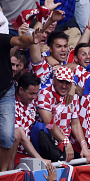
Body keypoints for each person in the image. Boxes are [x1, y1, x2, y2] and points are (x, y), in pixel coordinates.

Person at [0, 27, 43, 171]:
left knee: (8, 136)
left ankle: (3, 174)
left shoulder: (1, 39)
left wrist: (32, 40)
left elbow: (19, 40)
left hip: (5, 93)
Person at [36, 66, 90, 164]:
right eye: (61, 81)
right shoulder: (44, 94)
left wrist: (84, 145)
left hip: (64, 145)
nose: (64, 86)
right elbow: (49, 124)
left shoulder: (73, 97)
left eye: (67, 83)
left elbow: (75, 124)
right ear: (54, 80)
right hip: (47, 142)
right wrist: (66, 142)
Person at [13, 73, 50, 169]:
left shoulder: (33, 101)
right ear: (21, 90)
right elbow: (22, 138)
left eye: (36, 93)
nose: (34, 97)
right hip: (18, 156)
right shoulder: (11, 106)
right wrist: (40, 159)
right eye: (31, 93)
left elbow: (45, 122)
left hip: (35, 152)